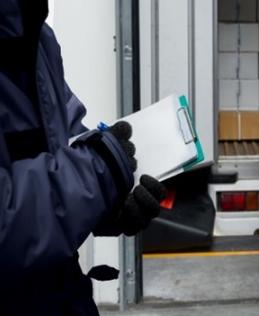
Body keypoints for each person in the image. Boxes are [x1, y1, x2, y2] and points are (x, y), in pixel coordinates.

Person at [0, 1, 166, 314]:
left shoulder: (37, 35)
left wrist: (110, 202)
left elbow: (66, 139)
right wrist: (98, 173)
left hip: (66, 297)